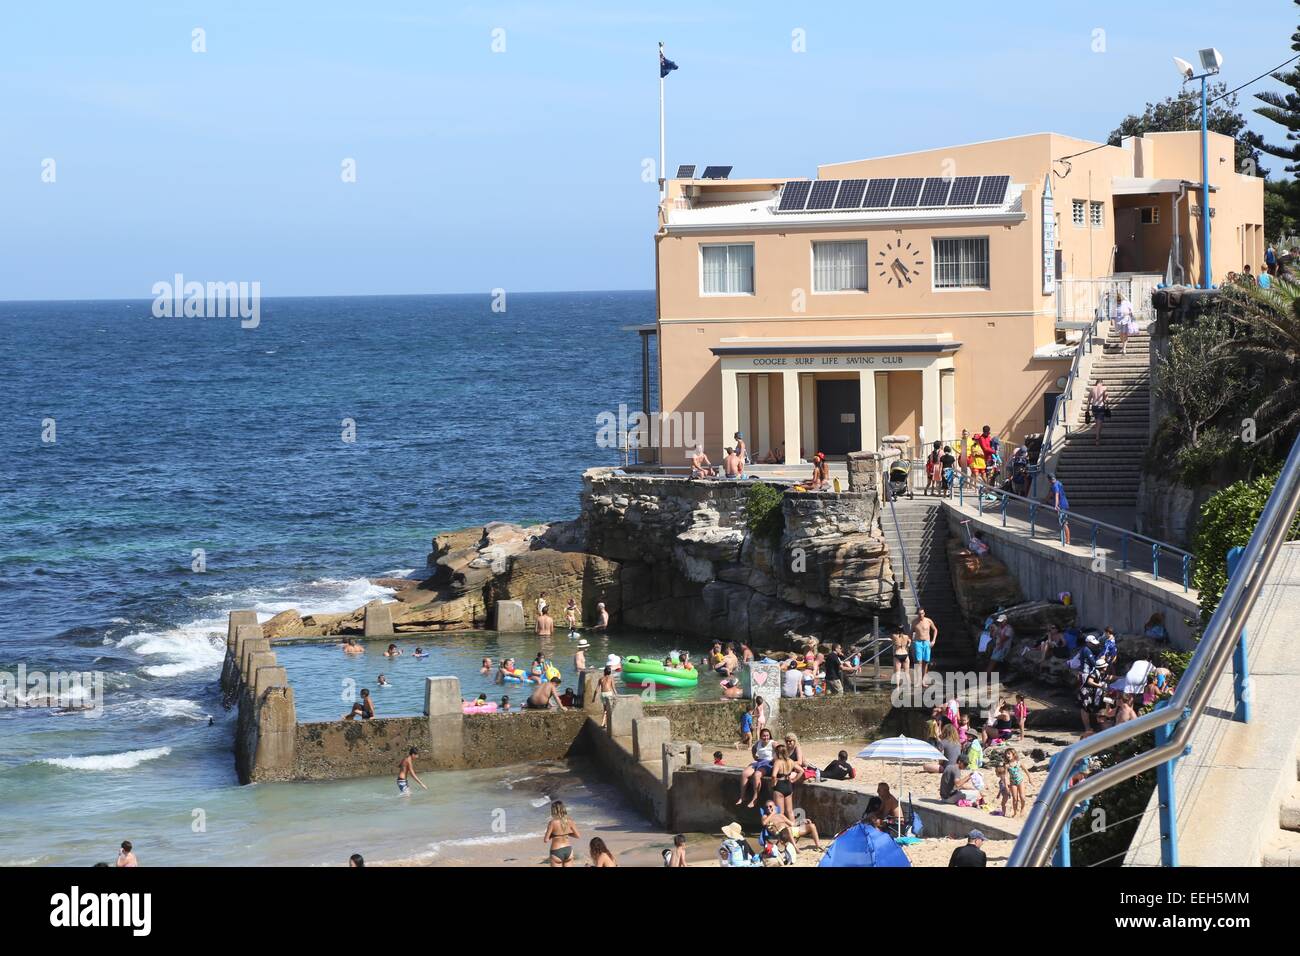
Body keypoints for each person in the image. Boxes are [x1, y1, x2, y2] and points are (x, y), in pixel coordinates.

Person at [737, 728, 775, 807]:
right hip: (759, 761)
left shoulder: (773, 743)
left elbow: (781, 750)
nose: (766, 737)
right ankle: (742, 796)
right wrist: (754, 756)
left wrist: (775, 760)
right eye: (764, 736)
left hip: (768, 763)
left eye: (767, 735)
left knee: (757, 775)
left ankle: (755, 798)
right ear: (761, 736)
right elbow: (753, 749)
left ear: (770, 736)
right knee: (745, 773)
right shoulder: (759, 743)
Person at [544, 800, 580, 867]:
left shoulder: (552, 822)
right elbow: (578, 836)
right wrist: (567, 833)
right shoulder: (570, 821)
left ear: (554, 811)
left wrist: (554, 835)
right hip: (568, 850)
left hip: (556, 851)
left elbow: (546, 840)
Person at [911, 608, 938, 682]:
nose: (921, 615)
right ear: (917, 614)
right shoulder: (914, 622)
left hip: (926, 642)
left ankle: (923, 680)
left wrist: (933, 641)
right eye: (919, 614)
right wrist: (910, 642)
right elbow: (911, 632)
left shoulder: (928, 621)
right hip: (918, 642)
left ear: (924, 613)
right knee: (919, 662)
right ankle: (918, 680)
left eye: (922, 613)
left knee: (926, 662)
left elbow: (935, 630)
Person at [1048, 473, 1070, 546]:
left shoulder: (1054, 485)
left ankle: (1067, 540)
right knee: (1061, 522)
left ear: (1049, 480)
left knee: (1064, 522)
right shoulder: (1058, 483)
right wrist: (1043, 501)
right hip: (1064, 504)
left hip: (1061, 506)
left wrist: (1056, 505)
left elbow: (1057, 494)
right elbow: (1050, 494)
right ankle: (1063, 537)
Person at [1088, 379, 1108, 445]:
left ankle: (1097, 437)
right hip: (1100, 407)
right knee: (1099, 425)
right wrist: (1107, 403)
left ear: (1096, 383)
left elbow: (1089, 400)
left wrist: (1087, 410)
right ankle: (1097, 440)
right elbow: (1106, 399)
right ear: (1101, 383)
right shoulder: (1104, 388)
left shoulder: (1092, 389)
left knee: (1097, 423)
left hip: (1094, 407)